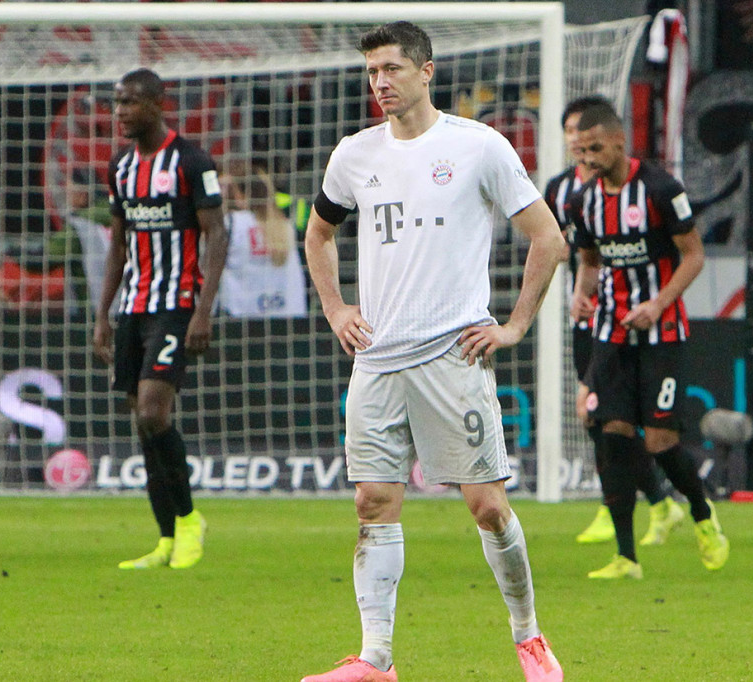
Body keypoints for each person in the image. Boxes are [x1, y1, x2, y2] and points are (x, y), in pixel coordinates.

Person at [301, 22, 564, 682]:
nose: (380, 82)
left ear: (427, 72)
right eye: (371, 72)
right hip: (378, 360)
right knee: (372, 505)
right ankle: (375, 659)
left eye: (391, 68)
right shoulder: (354, 155)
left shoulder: (478, 147)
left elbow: (549, 240)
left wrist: (514, 325)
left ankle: (529, 637)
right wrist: (336, 308)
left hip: (453, 356)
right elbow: (318, 235)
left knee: (488, 507)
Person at [570, 104, 729, 579]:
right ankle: (626, 556)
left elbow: (694, 256)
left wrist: (657, 304)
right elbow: (590, 259)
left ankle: (702, 515)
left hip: (661, 332)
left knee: (660, 439)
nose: (589, 158)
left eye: (596, 148)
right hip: (611, 332)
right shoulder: (583, 201)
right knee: (611, 432)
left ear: (621, 141)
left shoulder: (661, 189)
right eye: (582, 151)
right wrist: (581, 294)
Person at [92, 68, 228, 570]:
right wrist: (103, 315)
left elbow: (217, 233)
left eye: (129, 102)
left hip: (176, 306)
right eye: (116, 103)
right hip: (133, 308)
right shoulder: (121, 167)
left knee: (154, 412)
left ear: (156, 103)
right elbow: (118, 245)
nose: (120, 112)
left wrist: (202, 311)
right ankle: (166, 538)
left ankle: (190, 520)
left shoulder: (191, 161)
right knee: (142, 423)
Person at [543, 96, 684, 550]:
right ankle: (652, 501)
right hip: (591, 316)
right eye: (569, 135)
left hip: (634, 316)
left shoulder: (648, 187)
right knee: (594, 414)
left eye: (581, 134)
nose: (575, 144)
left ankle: (625, 504)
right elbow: (570, 250)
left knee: (609, 411)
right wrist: (577, 295)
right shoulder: (561, 190)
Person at [218, 160, 308, 317]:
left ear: (240, 195)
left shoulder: (232, 224)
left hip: (243, 319)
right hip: (287, 315)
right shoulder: (284, 225)